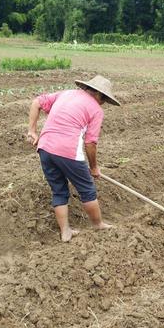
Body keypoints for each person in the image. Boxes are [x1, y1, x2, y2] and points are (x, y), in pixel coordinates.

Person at [26, 75, 121, 242]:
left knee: (59, 190)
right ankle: (98, 224)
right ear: (100, 96)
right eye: (104, 99)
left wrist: (32, 131)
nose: (103, 103)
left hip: (45, 147)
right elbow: (90, 142)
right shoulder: (96, 110)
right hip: (68, 150)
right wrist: (94, 168)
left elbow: (37, 102)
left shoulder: (66, 93)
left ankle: (65, 232)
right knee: (87, 189)